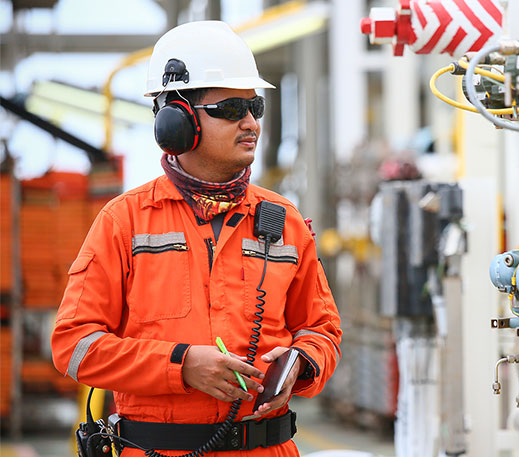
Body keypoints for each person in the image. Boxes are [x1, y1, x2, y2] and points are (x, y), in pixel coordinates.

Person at [51, 21, 342, 457]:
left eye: (255, 107)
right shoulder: (124, 222)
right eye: (231, 109)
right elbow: (73, 346)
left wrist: (301, 363)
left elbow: (323, 330)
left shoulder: (285, 222)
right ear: (178, 120)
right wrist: (181, 366)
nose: (250, 123)